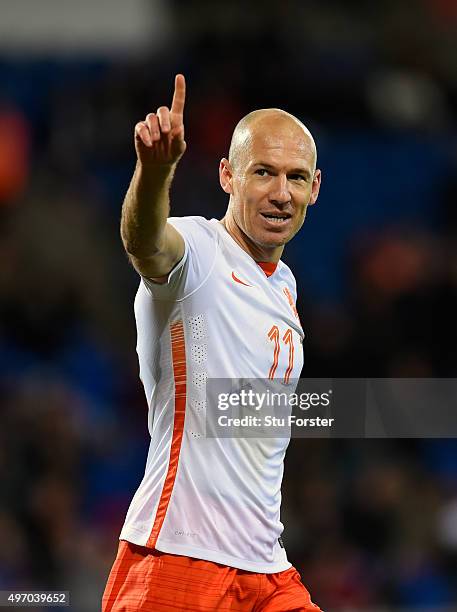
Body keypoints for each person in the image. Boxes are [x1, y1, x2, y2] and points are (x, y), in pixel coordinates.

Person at [102, 74, 322, 612]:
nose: (280, 193)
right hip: (178, 559)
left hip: (266, 570)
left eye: (295, 177)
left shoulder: (285, 287)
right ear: (227, 175)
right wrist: (155, 172)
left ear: (315, 188)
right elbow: (145, 241)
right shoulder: (198, 252)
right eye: (263, 173)